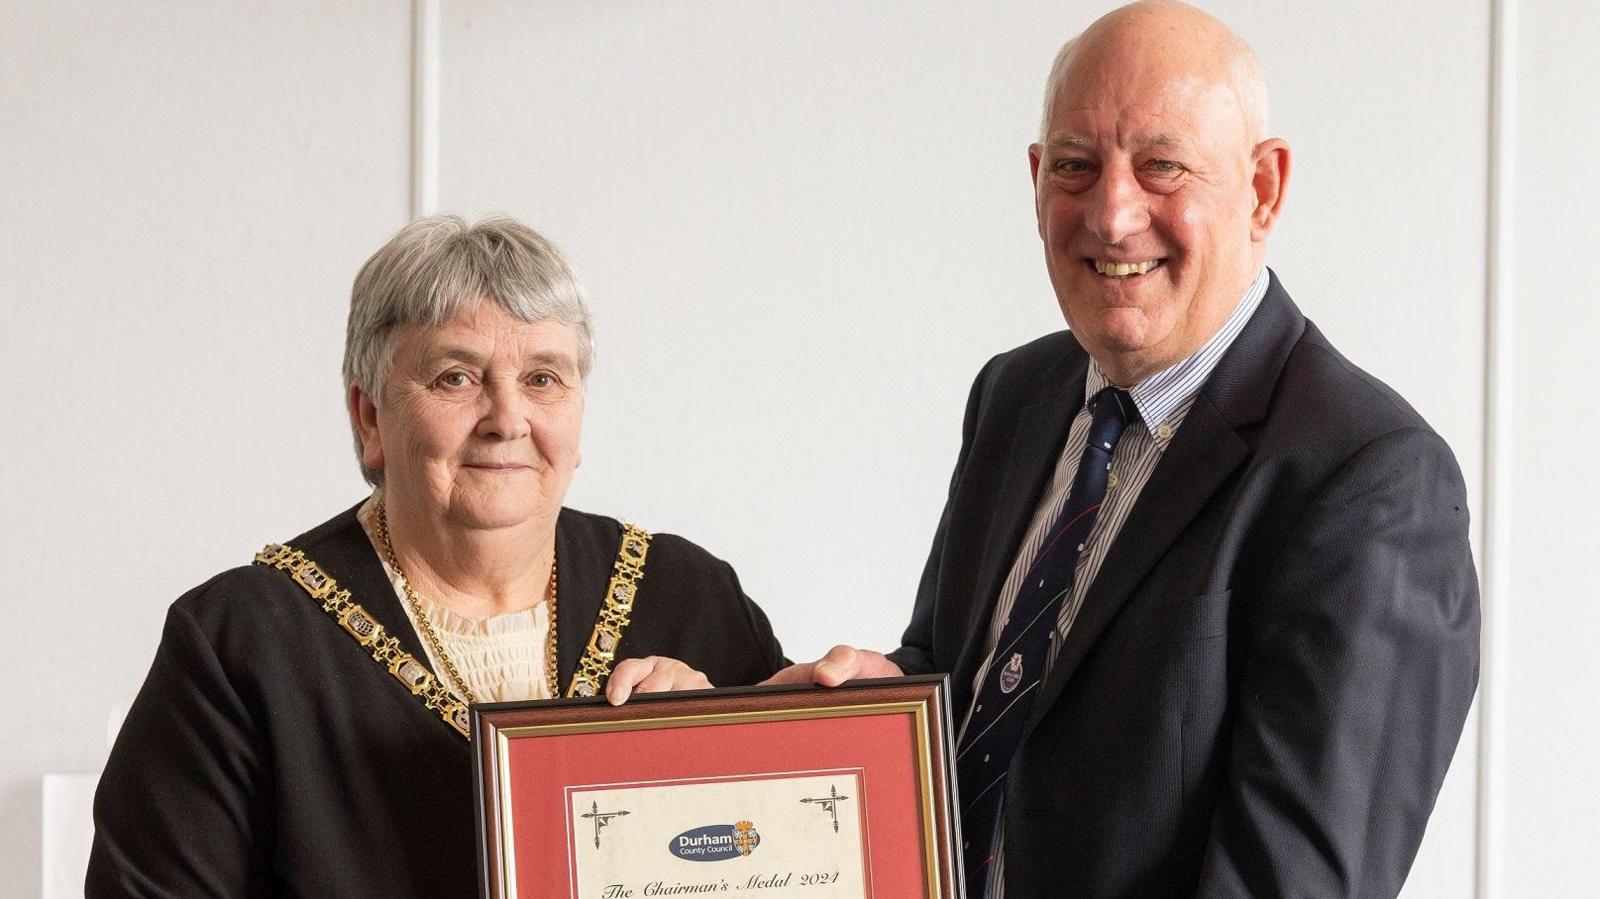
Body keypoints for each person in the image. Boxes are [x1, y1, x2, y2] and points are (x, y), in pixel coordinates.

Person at [766, 2, 1480, 895]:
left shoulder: (1370, 480)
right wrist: (884, 697)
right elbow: (990, 694)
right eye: (1074, 166)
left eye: (1162, 166)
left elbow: (1286, 883)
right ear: (1034, 180)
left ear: (1263, 190)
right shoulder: (1014, 397)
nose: (1111, 213)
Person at [87, 215, 786, 896]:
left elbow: (795, 853)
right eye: (457, 377)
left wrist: (726, 756)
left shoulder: (691, 596)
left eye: (543, 378)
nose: (507, 419)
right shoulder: (240, 643)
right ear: (369, 417)